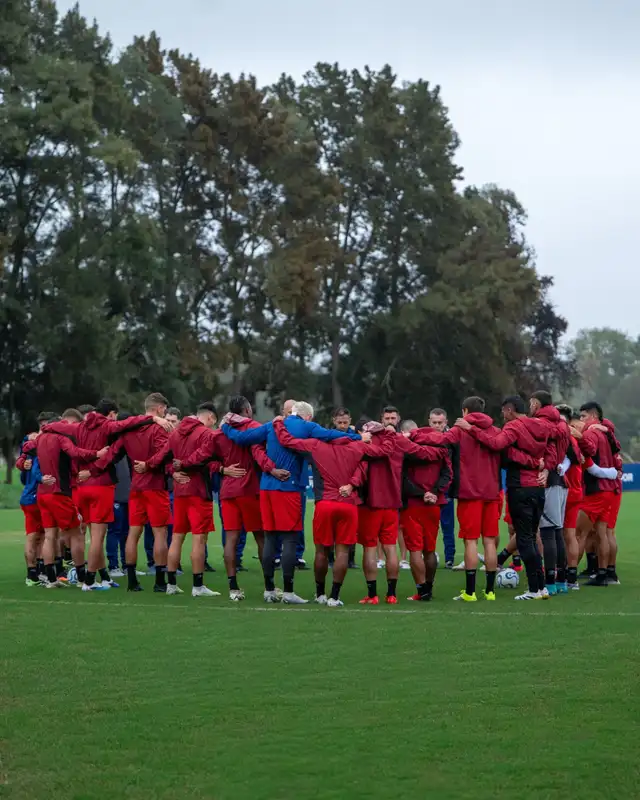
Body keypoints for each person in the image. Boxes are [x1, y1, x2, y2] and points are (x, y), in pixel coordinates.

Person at [221, 400, 361, 604]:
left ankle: (269, 590)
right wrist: (359, 437)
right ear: (307, 416)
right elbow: (332, 435)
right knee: (290, 539)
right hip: (289, 487)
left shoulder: (271, 425)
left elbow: (243, 438)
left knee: (270, 538)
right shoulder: (307, 426)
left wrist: (225, 426)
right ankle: (288, 592)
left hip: (266, 487)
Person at [418, 397, 537, 602]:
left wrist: (412, 435)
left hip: (469, 493)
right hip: (492, 492)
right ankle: (490, 591)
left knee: (470, 541)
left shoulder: (460, 430)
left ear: (465, 411)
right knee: (489, 541)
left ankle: (470, 592)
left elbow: (438, 440)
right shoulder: (496, 431)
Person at [272, 418, 391, 607]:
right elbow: (384, 451)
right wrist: (387, 432)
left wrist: (278, 423)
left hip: (325, 504)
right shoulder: (357, 447)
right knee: (343, 552)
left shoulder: (316, 445)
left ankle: (320, 594)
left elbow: (287, 440)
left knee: (321, 551)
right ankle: (334, 597)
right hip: (348, 505)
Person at [176, 395, 277, 601]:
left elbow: (203, 457)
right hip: (250, 490)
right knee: (261, 537)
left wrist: (184, 464)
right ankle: (269, 588)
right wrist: (274, 469)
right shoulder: (254, 428)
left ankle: (233, 589)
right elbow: (261, 453)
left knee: (231, 539)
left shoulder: (220, 433)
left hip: (228, 492)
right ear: (247, 410)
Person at [455, 396, 550, 600]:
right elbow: (551, 450)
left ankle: (534, 589)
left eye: (503, 411)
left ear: (509, 410)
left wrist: (470, 429)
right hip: (538, 488)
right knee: (531, 537)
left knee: (524, 539)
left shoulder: (513, 427)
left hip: (520, 487)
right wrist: (544, 466)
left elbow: (497, 444)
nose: (502, 416)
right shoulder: (542, 425)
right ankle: (541, 587)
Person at [345, 421, 444, 605]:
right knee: (391, 548)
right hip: (392, 503)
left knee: (370, 548)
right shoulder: (397, 440)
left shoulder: (366, 442)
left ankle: (372, 594)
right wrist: (441, 452)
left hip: (371, 504)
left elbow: (357, 467)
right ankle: (392, 594)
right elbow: (421, 452)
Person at [74, 398, 168, 590]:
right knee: (160, 533)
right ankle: (160, 582)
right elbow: (166, 452)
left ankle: (131, 581)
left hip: (134, 487)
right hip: (154, 486)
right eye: (164, 410)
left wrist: (91, 470)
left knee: (132, 533)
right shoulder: (158, 428)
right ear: (159, 408)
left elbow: (111, 455)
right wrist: (151, 465)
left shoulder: (125, 432)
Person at [142, 403, 222, 597]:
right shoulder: (206, 433)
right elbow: (203, 455)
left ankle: (171, 584)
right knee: (199, 538)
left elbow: (162, 456)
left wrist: (148, 465)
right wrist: (184, 465)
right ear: (210, 418)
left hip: (180, 492)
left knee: (177, 537)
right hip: (198, 490)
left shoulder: (176, 433)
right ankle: (198, 586)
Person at [27, 410, 105, 588]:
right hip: (59, 493)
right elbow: (75, 452)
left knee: (50, 536)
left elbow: (26, 448)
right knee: (76, 534)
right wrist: (97, 453)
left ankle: (51, 579)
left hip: (43, 494)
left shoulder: (40, 438)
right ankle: (82, 578)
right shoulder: (60, 438)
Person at [400, 423, 452, 602]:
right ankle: (428, 588)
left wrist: (421, 494)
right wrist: (434, 492)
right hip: (433, 504)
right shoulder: (442, 448)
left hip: (412, 504)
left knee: (415, 550)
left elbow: (402, 478)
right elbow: (448, 475)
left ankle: (421, 591)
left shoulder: (408, 449)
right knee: (429, 550)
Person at [529, 391, 570, 597]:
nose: (530, 406)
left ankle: (551, 582)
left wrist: (545, 468)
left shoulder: (542, 423)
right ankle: (561, 580)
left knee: (548, 532)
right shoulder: (562, 423)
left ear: (537, 403)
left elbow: (548, 451)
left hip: (550, 481)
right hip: (561, 482)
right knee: (557, 531)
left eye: (531, 403)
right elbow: (573, 454)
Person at [575, 402, 619, 587]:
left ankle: (567, 577)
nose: (581, 420)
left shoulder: (590, 433)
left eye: (583, 416)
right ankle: (604, 574)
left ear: (593, 416)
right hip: (609, 489)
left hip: (596, 491)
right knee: (603, 533)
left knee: (579, 534)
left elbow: (589, 455)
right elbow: (617, 451)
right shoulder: (606, 433)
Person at [428, 408, 456, 568]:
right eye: (434, 422)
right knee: (429, 526)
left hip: (446, 490)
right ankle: (428, 555)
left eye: (440, 422)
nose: (437, 425)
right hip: (428, 491)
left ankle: (449, 558)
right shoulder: (423, 438)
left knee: (447, 526)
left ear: (446, 422)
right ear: (429, 422)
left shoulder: (452, 441)